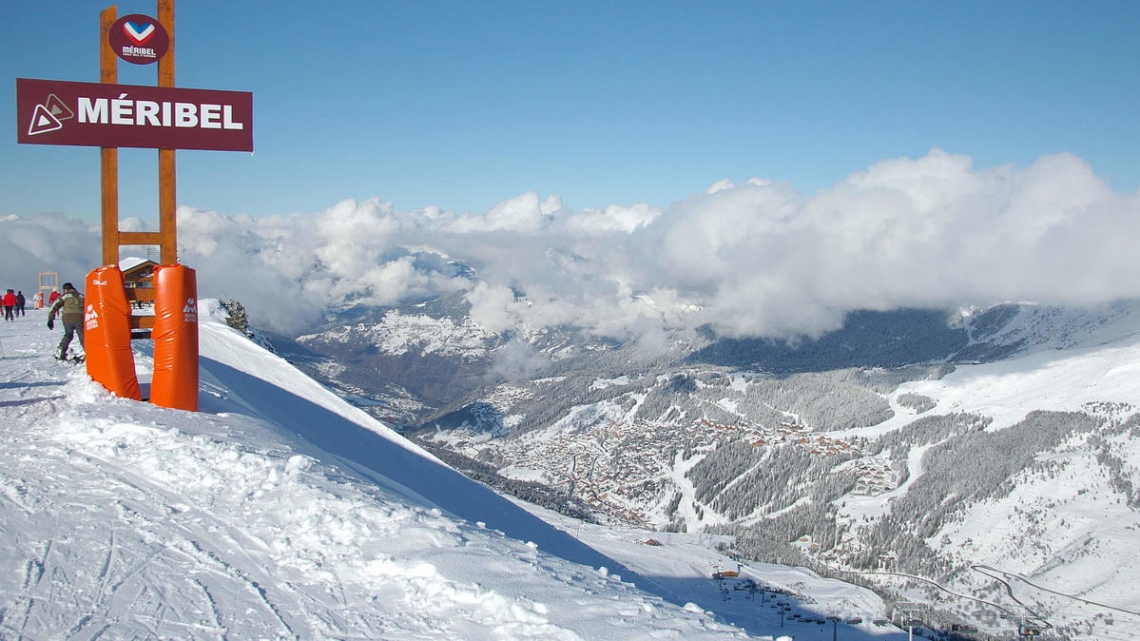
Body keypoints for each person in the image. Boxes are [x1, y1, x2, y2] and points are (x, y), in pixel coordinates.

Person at [47, 282, 85, 360]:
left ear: (66, 289)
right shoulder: (82, 296)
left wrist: (50, 319)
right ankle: (90, 352)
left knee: (68, 334)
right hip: (80, 318)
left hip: (67, 318)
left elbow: (54, 306)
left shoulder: (65, 296)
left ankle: (60, 351)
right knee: (82, 336)